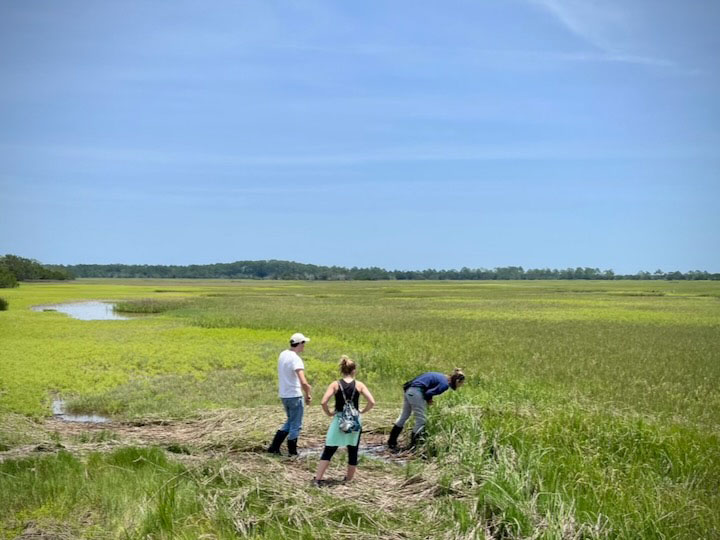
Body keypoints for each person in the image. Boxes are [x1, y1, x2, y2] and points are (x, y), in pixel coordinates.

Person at [313, 355, 375, 485]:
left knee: (329, 448)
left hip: (339, 419)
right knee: (353, 449)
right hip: (355, 420)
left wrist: (329, 413)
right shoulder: (359, 385)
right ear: (354, 371)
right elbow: (372, 402)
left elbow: (323, 402)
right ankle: (349, 479)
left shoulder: (335, 384)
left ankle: (318, 478)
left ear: (342, 370)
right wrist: (362, 411)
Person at [387, 368, 465, 451]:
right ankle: (414, 447)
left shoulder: (440, 376)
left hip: (409, 390)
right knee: (421, 420)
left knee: (404, 416)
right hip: (417, 392)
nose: (461, 386)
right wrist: (429, 400)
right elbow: (428, 393)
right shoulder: (445, 384)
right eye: (461, 384)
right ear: (457, 381)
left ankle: (391, 442)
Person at [267, 332, 312, 457]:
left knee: (290, 421)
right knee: (296, 424)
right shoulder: (296, 359)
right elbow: (303, 381)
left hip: (284, 394)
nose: (304, 346)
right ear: (300, 343)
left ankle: (274, 447)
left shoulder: (283, 354)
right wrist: (308, 393)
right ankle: (292, 452)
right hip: (295, 395)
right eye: (304, 343)